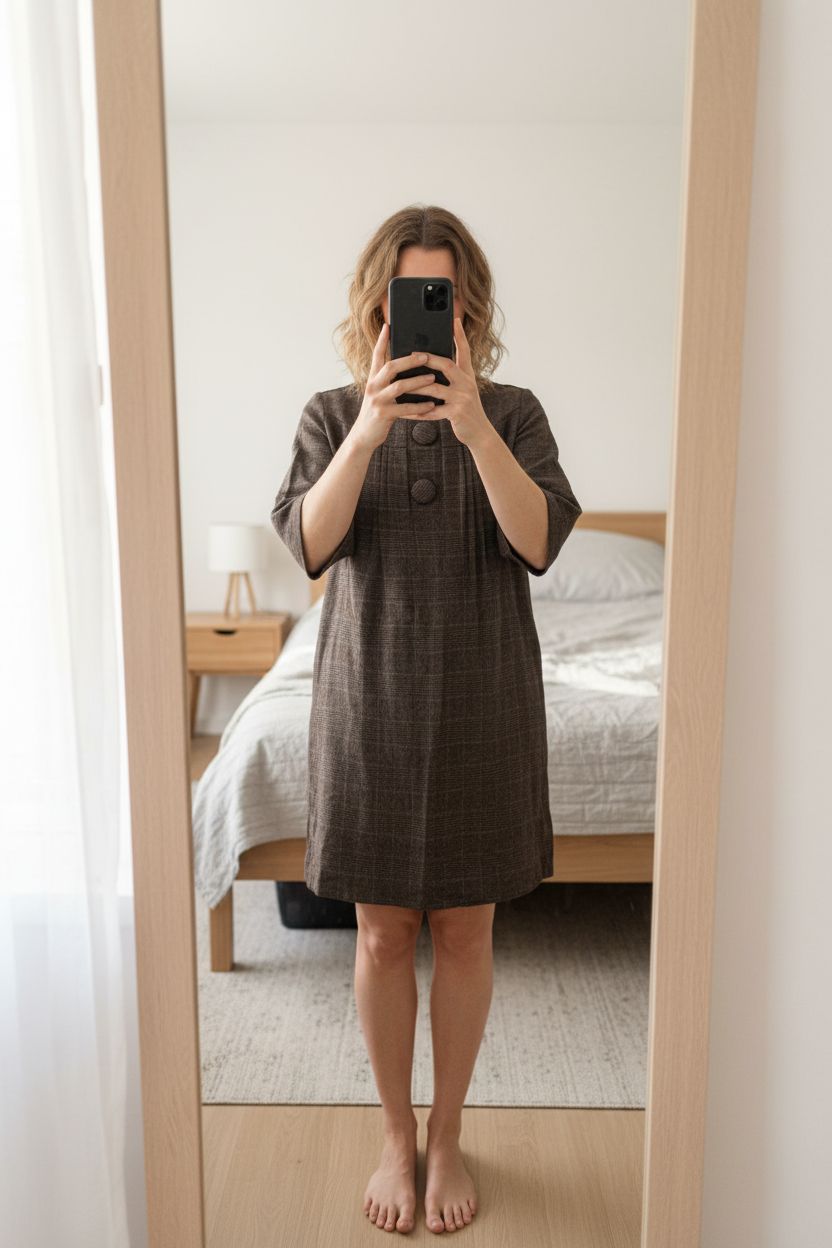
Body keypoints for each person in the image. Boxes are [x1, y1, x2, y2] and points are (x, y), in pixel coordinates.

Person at [271, 204, 582, 1235]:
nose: (420, 320)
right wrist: (368, 428)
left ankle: (446, 1133)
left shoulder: (514, 414)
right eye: (403, 297)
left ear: (467, 311)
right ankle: (395, 1134)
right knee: (377, 935)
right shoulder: (329, 415)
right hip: (370, 700)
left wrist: (473, 426)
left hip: (485, 697)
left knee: (465, 930)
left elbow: (537, 542)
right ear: (375, 309)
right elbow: (309, 547)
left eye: (437, 298)